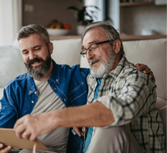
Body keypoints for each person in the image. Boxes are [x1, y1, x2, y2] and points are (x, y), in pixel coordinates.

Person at [0, 24, 155, 153]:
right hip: (16, 150)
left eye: (37, 49)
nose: (31, 57)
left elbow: (111, 75)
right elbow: (2, 131)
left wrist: (137, 68)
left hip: (46, 152)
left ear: (49, 48)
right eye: (25, 52)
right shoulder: (15, 88)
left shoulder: (76, 76)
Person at [13, 22, 165, 153]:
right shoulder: (91, 79)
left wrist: (53, 118)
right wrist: (84, 118)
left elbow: (122, 109)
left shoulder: (138, 77)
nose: (89, 56)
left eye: (93, 47)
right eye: (85, 50)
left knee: (109, 125)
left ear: (116, 45)